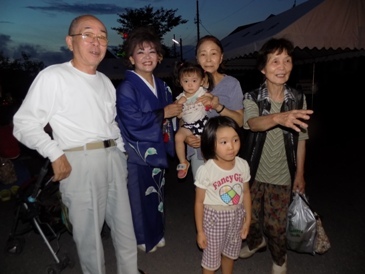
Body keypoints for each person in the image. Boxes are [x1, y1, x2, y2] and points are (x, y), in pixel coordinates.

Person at [12, 15, 144, 274]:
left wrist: (122, 153)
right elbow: (23, 123)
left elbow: (112, 123)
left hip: (113, 159)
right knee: (90, 241)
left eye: (102, 36)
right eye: (88, 35)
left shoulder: (106, 81)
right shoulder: (53, 76)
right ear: (70, 42)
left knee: (126, 231)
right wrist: (54, 153)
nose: (96, 42)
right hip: (80, 162)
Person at [238, 38, 314, 274]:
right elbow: (252, 123)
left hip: (282, 173)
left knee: (275, 225)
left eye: (287, 60)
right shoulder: (252, 97)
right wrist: (278, 118)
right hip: (254, 171)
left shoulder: (297, 99)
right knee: (249, 218)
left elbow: (301, 138)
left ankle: (280, 260)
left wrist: (299, 173)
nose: (282, 67)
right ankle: (255, 242)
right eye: (275, 61)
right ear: (263, 68)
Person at [115, 26, 182, 253]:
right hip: (138, 154)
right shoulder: (127, 87)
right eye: (140, 52)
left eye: (152, 52)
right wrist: (165, 113)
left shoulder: (162, 86)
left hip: (157, 150)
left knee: (157, 195)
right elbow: (132, 121)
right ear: (131, 58)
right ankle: (143, 237)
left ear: (159, 57)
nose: (147, 57)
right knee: (139, 197)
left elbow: (172, 116)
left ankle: (157, 232)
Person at [194, 116, 251, 274]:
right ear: (211, 143)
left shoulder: (242, 165)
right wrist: (200, 231)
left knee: (230, 255)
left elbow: (246, 192)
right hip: (214, 219)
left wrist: (248, 219)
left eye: (235, 140)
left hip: (237, 216)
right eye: (224, 142)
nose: (231, 147)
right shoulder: (206, 170)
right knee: (211, 262)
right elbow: (199, 202)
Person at [184, 35, 244, 178]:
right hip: (198, 150)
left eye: (213, 53)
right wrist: (186, 136)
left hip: (225, 151)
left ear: (221, 58)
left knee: (225, 195)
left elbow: (240, 121)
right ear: (197, 58)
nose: (208, 59)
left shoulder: (231, 84)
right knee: (203, 196)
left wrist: (218, 107)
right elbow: (184, 115)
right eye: (203, 54)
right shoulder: (190, 83)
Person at [174, 61, 214, 179]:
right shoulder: (181, 97)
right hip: (188, 126)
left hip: (202, 123)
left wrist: (208, 99)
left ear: (201, 81)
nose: (190, 85)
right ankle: (183, 162)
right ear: (180, 82)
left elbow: (212, 97)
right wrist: (178, 103)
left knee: (205, 148)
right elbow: (176, 112)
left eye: (194, 81)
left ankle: (210, 166)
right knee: (178, 137)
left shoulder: (201, 91)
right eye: (186, 81)